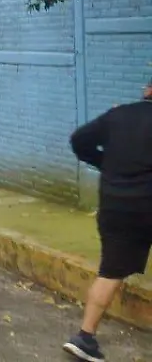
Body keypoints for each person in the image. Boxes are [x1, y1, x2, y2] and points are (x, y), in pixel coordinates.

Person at [63, 79, 152, 362]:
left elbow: (79, 140)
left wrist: (104, 162)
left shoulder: (118, 115)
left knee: (110, 271)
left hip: (115, 206)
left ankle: (85, 337)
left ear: (148, 90)